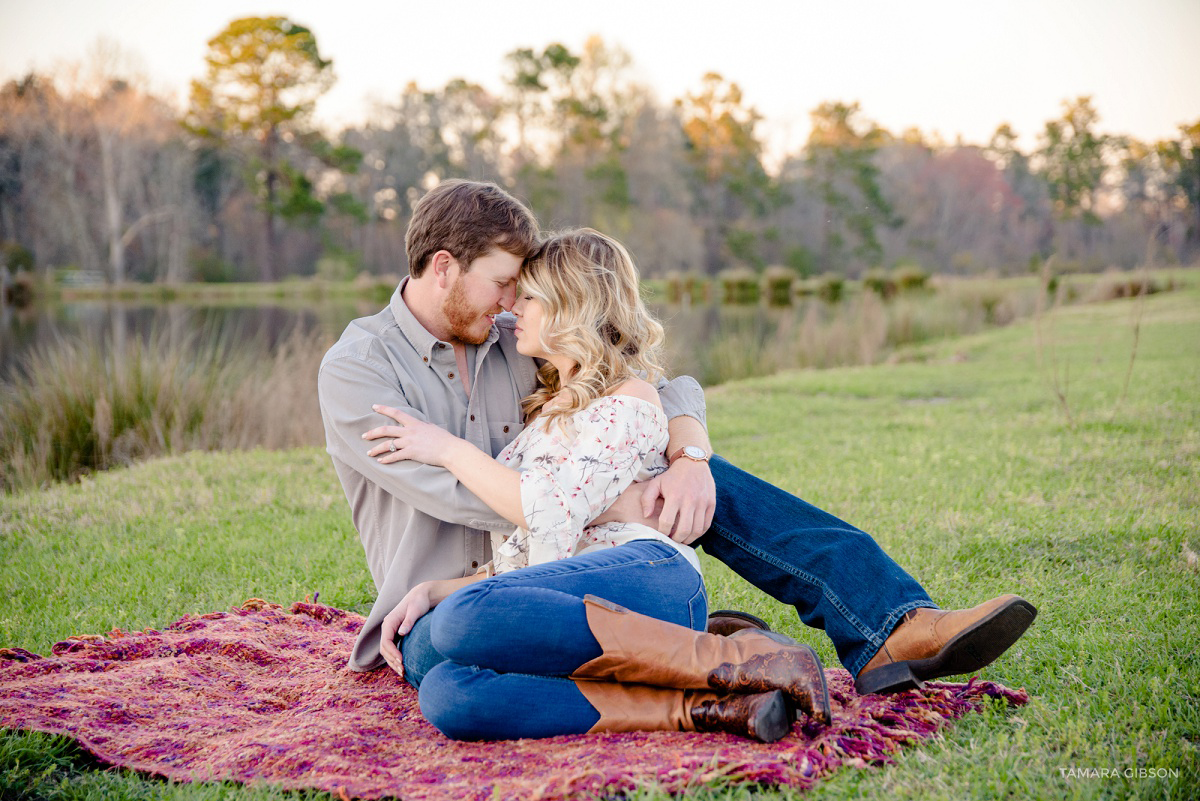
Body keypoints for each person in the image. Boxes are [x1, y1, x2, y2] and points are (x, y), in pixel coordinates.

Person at [317, 179, 1035, 701]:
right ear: (443, 266)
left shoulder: (512, 336)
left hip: (571, 556)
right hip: (458, 601)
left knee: (701, 479)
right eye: (503, 282)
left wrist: (689, 456)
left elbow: (654, 384)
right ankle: (702, 650)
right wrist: (626, 497)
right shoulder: (359, 370)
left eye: (518, 291)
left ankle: (889, 624)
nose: (512, 302)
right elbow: (472, 495)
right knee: (632, 489)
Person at [357, 229, 830, 741]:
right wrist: (434, 589)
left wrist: (447, 449)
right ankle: (706, 706)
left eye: (531, 297)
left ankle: (731, 656)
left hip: (647, 577)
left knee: (458, 622)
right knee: (446, 691)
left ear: (571, 308)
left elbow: (546, 511)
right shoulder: (543, 415)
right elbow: (531, 559)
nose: (514, 307)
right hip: (568, 595)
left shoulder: (629, 400)